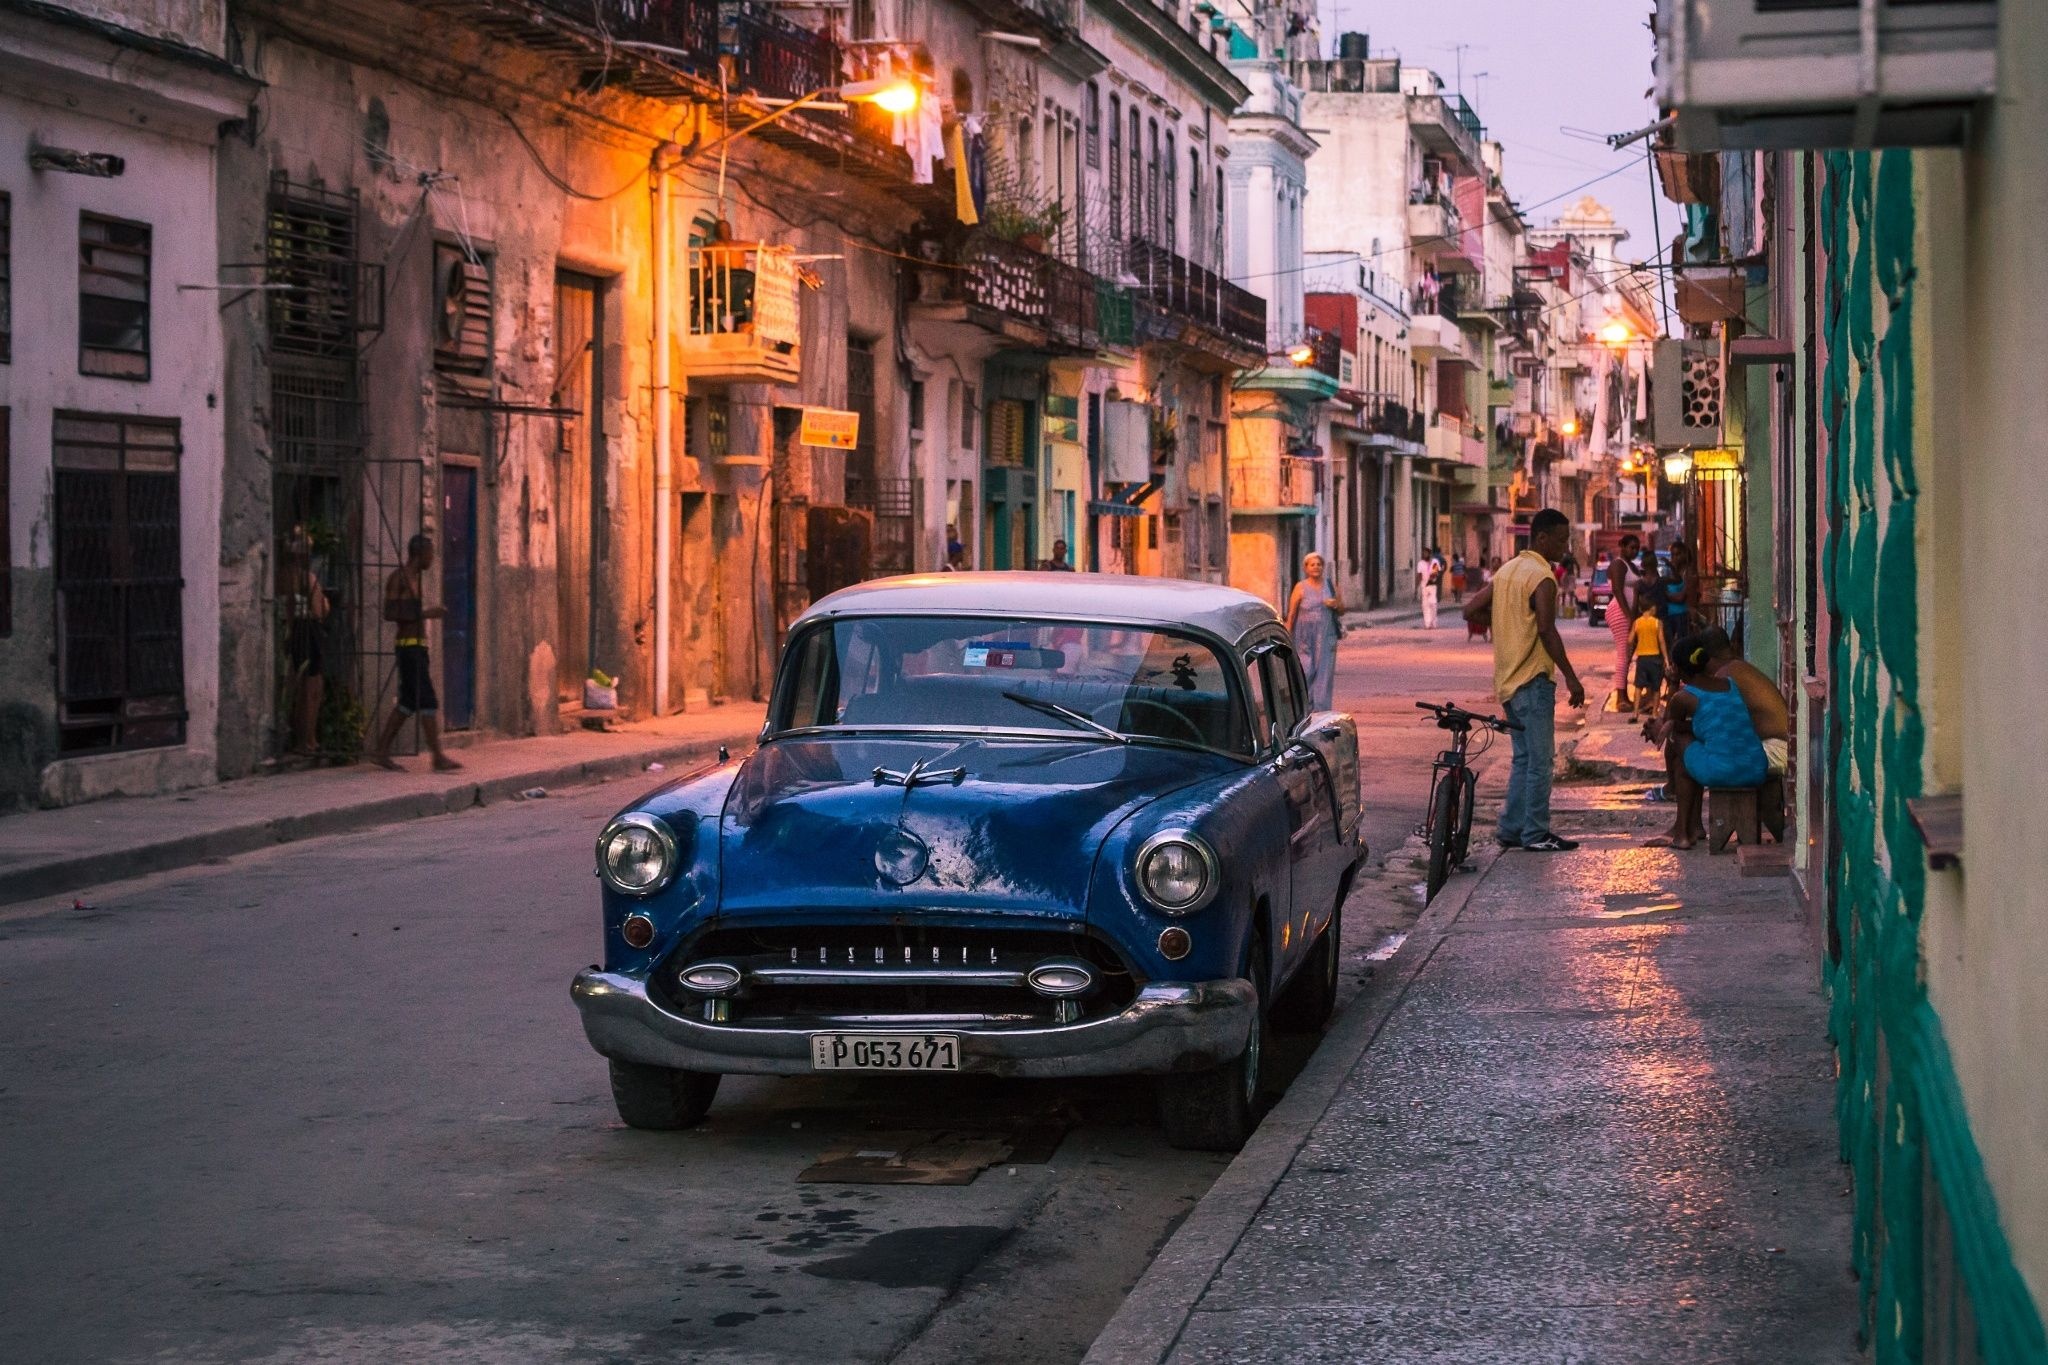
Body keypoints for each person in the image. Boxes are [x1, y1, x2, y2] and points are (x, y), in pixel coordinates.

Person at [1463, 508, 1586, 852]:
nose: (1565, 546)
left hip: (1507, 682)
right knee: (1541, 762)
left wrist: (1507, 623)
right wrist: (1572, 678)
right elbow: (1547, 630)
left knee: (1523, 759)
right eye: (1561, 540)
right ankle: (1535, 833)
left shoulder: (1508, 571)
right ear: (1542, 538)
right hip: (1532, 681)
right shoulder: (1542, 577)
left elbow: (1470, 610)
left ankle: (1511, 828)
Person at [1647, 631, 1770, 850]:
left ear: (1678, 668)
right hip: (1757, 767)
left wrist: (1673, 684)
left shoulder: (1683, 698)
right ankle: (1693, 827)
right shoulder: (1730, 684)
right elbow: (1706, 723)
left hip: (1723, 770)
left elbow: (1667, 730)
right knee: (1687, 744)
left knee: (1678, 745)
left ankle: (1682, 832)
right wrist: (1671, 725)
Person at [369, 534, 463, 773]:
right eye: (430, 554)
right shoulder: (399, 578)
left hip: (418, 646)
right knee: (428, 700)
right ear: (419, 554)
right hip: (408, 647)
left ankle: (381, 751)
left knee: (409, 702)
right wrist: (425, 614)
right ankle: (438, 757)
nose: (432, 559)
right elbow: (389, 613)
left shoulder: (415, 579)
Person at [1701, 626, 1790, 840]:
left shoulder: (1726, 675)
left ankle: (1690, 826)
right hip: (1781, 748)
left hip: (1778, 750)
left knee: (1696, 752)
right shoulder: (1739, 668)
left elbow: (1712, 722)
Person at [279, 524, 329, 757]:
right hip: (304, 629)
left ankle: (311, 737)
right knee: (307, 687)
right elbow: (291, 606)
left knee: (316, 686)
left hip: (314, 628)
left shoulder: (306, 575)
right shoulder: (293, 575)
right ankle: (304, 739)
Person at [1285, 551, 1343, 710]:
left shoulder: (1330, 585)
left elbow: (1342, 609)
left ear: (1323, 567)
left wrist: (1335, 604)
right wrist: (1286, 636)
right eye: (1312, 565)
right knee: (1305, 670)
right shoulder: (1300, 587)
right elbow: (1291, 614)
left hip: (1326, 635)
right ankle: (1304, 706)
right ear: (1306, 568)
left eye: (1319, 564)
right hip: (1304, 635)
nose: (1316, 567)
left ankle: (1321, 710)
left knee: (1324, 673)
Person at [1605, 533, 1642, 711]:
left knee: (1627, 655)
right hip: (1620, 612)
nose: (1634, 551)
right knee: (1623, 654)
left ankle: (1624, 694)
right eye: (1631, 547)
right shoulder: (1618, 564)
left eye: (1637, 548)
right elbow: (1617, 591)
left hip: (1631, 614)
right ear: (1622, 546)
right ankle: (1620, 697)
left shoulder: (1632, 566)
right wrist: (1629, 616)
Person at [1629, 592, 1666, 712]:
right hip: (1655, 658)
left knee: (1638, 687)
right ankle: (1654, 713)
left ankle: (1635, 713)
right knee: (1656, 688)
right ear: (1652, 608)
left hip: (1642, 659)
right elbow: (1661, 641)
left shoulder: (1637, 622)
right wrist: (1666, 658)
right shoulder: (1657, 622)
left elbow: (1629, 640)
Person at [1416, 546, 1442, 629]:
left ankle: (1434, 623)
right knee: (1425, 605)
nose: (1424, 554)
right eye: (1423, 553)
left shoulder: (1434, 562)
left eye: (1426, 553)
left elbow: (1436, 573)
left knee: (1433, 604)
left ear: (1429, 554)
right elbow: (1419, 575)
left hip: (1432, 585)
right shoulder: (1420, 563)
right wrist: (1417, 586)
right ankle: (1427, 624)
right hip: (1424, 585)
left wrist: (1432, 578)